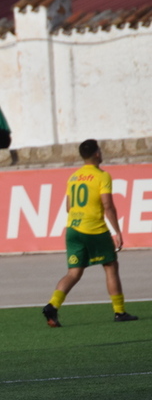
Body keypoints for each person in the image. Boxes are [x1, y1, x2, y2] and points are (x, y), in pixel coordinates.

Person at [42, 139, 138, 327]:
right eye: (99, 150)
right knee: (110, 266)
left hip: (73, 229)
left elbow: (69, 207)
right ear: (96, 154)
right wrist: (117, 231)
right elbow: (108, 206)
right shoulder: (102, 176)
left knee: (74, 272)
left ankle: (53, 305)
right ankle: (119, 311)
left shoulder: (74, 177)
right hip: (93, 229)